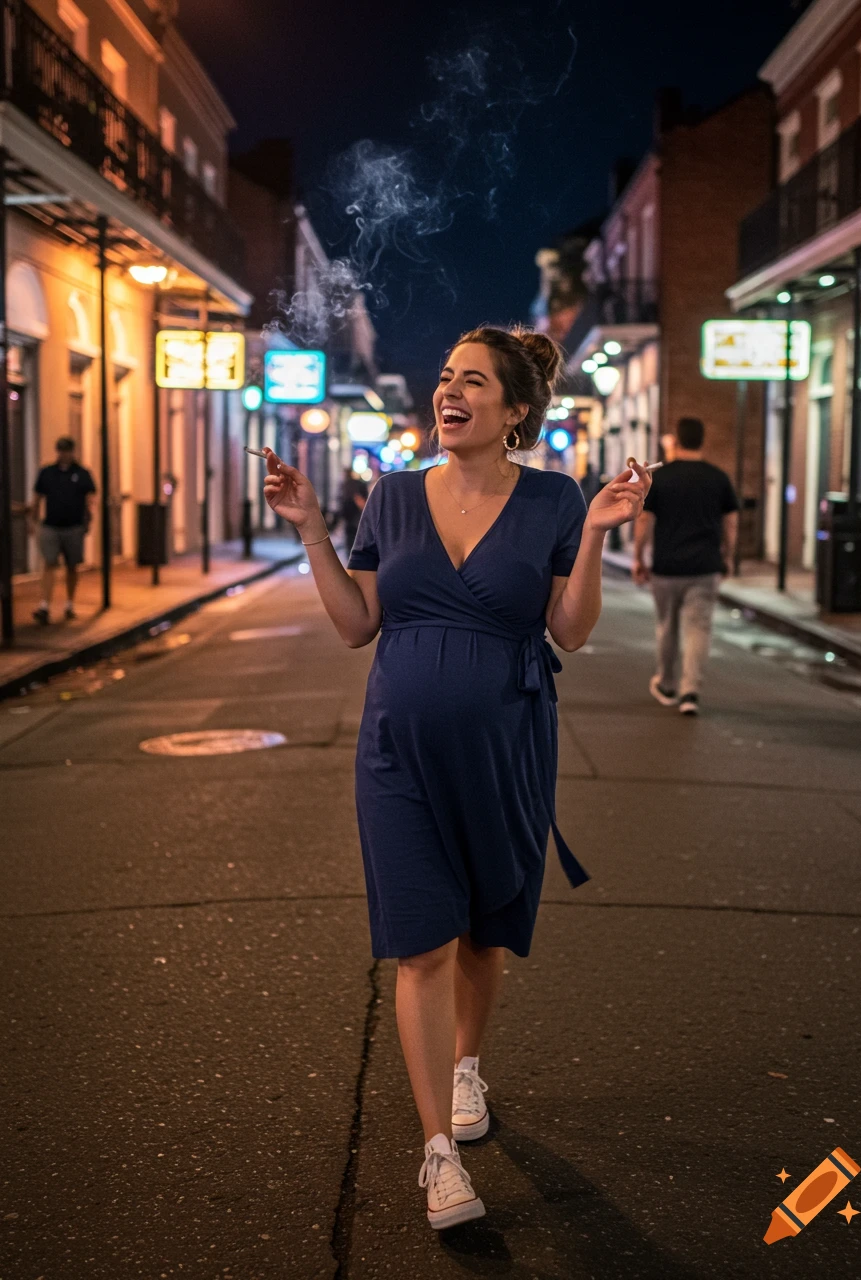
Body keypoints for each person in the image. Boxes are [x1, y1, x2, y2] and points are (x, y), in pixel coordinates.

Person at [262, 324, 649, 1229]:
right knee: (423, 942)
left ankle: (467, 1066)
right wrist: (313, 527)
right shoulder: (394, 497)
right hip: (397, 748)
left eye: (472, 381)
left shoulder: (556, 499)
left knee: (483, 930)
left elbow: (572, 630)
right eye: (444, 377)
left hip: (509, 742)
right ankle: (438, 1151)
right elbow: (358, 624)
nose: (450, 391)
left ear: (514, 411)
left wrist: (593, 534)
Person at [632, 416, 738, 716]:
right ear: (702, 441)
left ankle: (666, 683)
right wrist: (728, 556)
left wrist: (639, 557)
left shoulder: (662, 478)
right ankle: (690, 691)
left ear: (676, 440)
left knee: (667, 626)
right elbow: (730, 523)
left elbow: (645, 520)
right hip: (705, 567)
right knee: (699, 629)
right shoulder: (718, 478)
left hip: (666, 567)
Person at [29, 437, 97, 624]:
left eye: (67, 450)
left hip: (73, 526)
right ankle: (44, 605)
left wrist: (88, 519)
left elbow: (90, 498)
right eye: (61, 450)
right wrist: (33, 520)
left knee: (72, 566)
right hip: (51, 525)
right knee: (49, 563)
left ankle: (69, 603)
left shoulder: (82, 474)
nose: (64, 454)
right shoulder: (47, 472)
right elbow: (37, 497)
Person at [339, 467, 369, 554]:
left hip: (350, 517)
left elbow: (357, 499)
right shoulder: (357, 483)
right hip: (356, 517)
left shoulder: (346, 484)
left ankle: (351, 560)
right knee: (356, 540)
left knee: (350, 540)